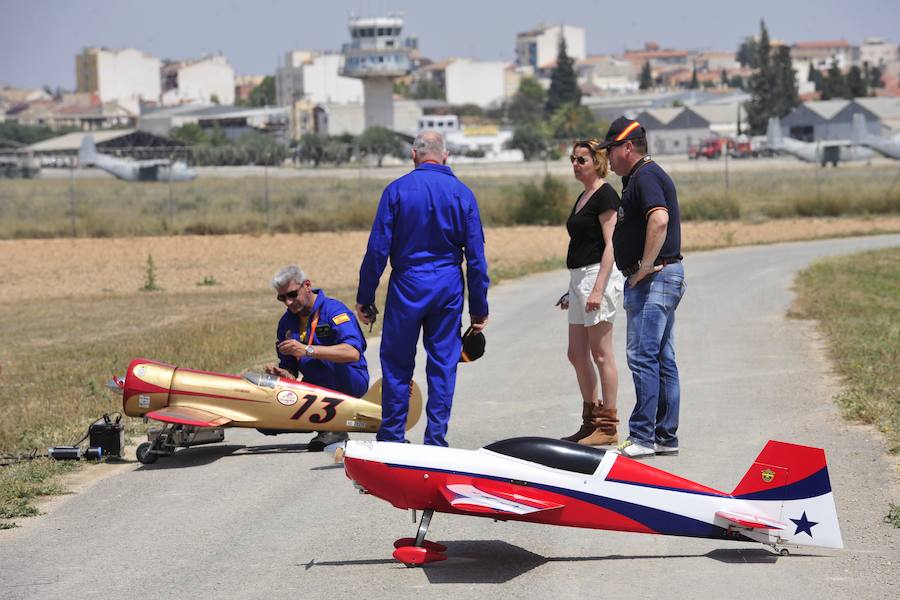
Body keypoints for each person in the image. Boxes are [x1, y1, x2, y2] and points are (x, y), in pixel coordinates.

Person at [356, 130, 489, 447]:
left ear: (413, 155)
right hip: (447, 285)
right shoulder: (462, 194)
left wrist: (365, 296)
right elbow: (476, 258)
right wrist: (479, 308)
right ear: (446, 155)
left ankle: (392, 437)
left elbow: (377, 250)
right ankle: (436, 441)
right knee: (443, 363)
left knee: (397, 362)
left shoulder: (396, 190)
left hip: (407, 284)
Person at [600, 116, 686, 459]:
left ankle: (642, 437)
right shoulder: (639, 177)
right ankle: (665, 435)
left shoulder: (646, 176)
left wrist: (645, 266)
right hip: (662, 276)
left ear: (627, 147)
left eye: (610, 150)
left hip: (654, 278)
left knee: (642, 356)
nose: (608, 159)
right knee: (662, 358)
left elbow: (659, 219)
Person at [558, 139, 625, 447]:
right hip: (579, 279)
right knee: (575, 353)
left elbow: (611, 244)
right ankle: (591, 420)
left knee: (601, 353)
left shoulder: (605, 194)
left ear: (597, 163)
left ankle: (608, 426)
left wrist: (598, 287)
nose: (575, 164)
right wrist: (571, 290)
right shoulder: (584, 195)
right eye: (573, 159)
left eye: (581, 160)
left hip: (598, 275)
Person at [265, 265, 369, 451]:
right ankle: (322, 423)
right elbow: (290, 367)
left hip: (349, 379)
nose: (288, 302)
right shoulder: (285, 323)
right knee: (265, 422)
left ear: (307, 285)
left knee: (328, 361)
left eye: (292, 294)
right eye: (282, 298)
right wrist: (283, 375)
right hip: (314, 386)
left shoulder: (334, 311)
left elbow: (352, 353)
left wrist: (308, 350)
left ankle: (333, 426)